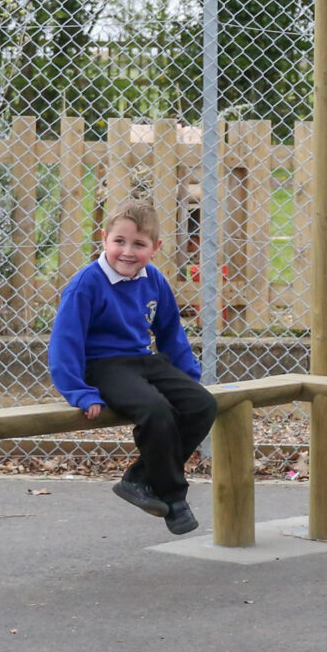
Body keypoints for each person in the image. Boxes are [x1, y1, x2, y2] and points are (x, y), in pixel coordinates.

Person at [50, 199, 216, 536]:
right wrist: (78, 392)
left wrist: (188, 379)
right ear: (104, 239)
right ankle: (173, 497)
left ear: (155, 248)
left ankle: (140, 478)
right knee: (156, 410)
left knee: (202, 404)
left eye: (138, 244)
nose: (127, 252)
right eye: (119, 242)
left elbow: (170, 331)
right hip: (103, 366)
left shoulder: (153, 279)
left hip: (143, 360)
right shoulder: (87, 284)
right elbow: (64, 343)